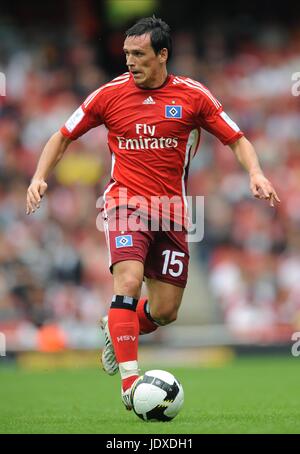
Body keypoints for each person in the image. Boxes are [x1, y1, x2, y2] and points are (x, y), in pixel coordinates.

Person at [26, 16, 280, 410]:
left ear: (162, 54)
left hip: (173, 213)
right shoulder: (108, 95)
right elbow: (63, 135)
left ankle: (116, 329)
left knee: (164, 311)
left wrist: (256, 172)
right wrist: (39, 177)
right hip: (124, 205)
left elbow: (237, 138)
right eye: (127, 53)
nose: (130, 61)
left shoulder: (194, 96)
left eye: (139, 54)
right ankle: (130, 384)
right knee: (126, 281)